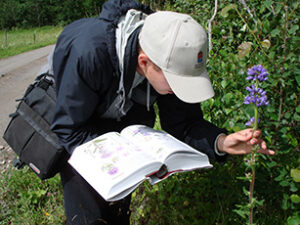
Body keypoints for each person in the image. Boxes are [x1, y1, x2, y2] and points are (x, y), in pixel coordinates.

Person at [49, 0, 275, 224]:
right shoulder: (89, 54)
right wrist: (121, 162)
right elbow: (68, 128)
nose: (179, 89)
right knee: (87, 214)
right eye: (176, 82)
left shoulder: (172, 59)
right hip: (77, 124)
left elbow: (184, 124)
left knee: (118, 206)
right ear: (144, 62)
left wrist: (221, 142)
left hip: (121, 125)